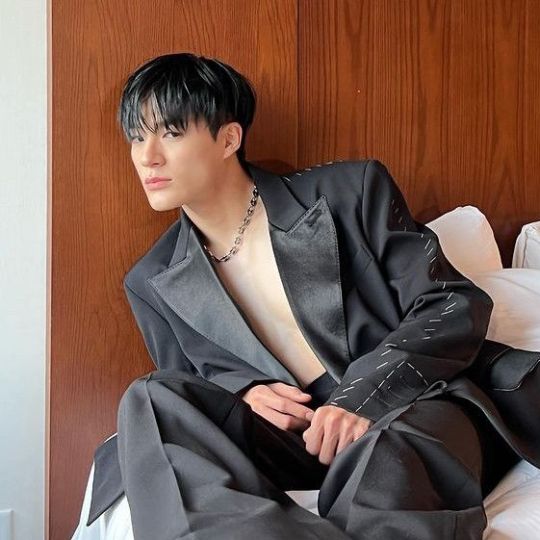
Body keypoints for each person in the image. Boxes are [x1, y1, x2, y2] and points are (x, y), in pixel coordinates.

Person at [78, 52, 538, 540]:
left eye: (170, 133)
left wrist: (363, 397)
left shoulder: (350, 192)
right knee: (150, 398)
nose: (146, 156)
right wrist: (242, 394)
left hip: (409, 407)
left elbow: (452, 304)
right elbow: (193, 396)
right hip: (289, 443)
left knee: (388, 457)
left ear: (229, 139)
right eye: (137, 137)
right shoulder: (151, 280)